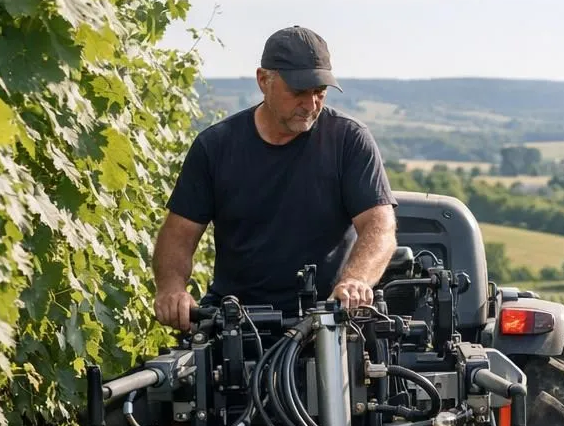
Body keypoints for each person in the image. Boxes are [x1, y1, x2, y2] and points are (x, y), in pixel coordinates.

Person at [152, 26, 398, 329]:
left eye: (318, 93)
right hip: (235, 322)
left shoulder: (349, 140)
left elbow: (379, 225)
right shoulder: (215, 147)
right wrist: (172, 289)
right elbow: (179, 233)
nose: (310, 105)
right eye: (298, 93)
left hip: (327, 322)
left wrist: (356, 281)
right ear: (263, 81)